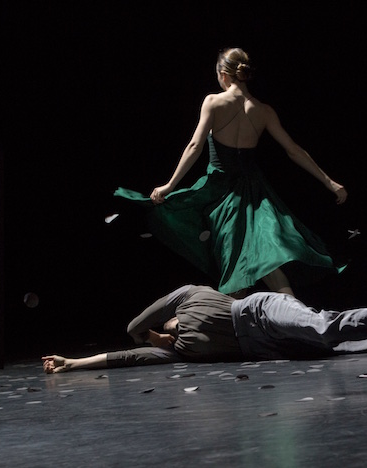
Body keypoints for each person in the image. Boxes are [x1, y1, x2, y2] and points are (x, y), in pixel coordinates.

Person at [114, 48, 347, 298]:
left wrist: (169, 185)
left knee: (243, 266)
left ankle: (239, 326)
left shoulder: (213, 101)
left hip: (224, 194)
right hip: (257, 195)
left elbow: (195, 146)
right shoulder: (263, 110)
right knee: (266, 260)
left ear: (224, 74)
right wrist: (329, 181)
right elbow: (294, 150)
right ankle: (294, 320)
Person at [42, 285, 367, 374]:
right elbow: (125, 357)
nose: (162, 338)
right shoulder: (183, 353)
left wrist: (150, 333)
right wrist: (72, 363)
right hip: (270, 351)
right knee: (364, 345)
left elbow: (131, 330)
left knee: (329, 328)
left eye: (160, 333)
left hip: (262, 312)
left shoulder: (188, 295)